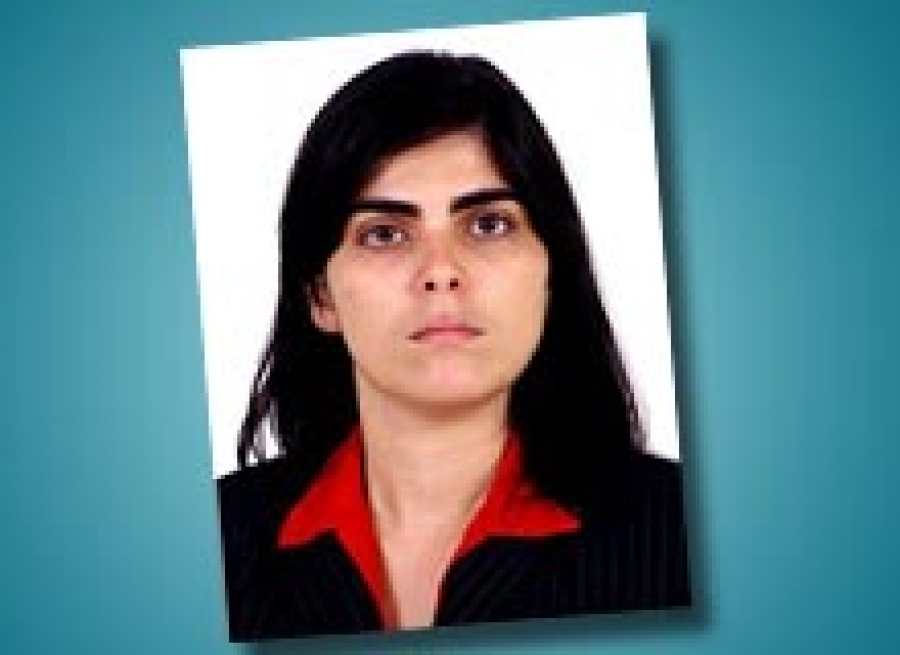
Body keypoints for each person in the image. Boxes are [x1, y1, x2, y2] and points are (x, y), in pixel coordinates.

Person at [217, 50, 691, 641]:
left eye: (488, 224)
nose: (441, 271)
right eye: (384, 234)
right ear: (321, 297)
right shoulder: (215, 539)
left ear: (551, 273)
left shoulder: (682, 532)